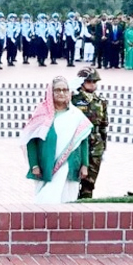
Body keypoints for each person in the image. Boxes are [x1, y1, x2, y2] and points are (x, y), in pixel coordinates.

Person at [22, 76, 92, 204]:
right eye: (57, 90)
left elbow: (83, 141)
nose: (61, 93)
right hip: (46, 166)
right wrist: (34, 165)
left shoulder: (75, 115)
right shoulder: (41, 114)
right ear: (51, 92)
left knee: (67, 202)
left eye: (65, 90)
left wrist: (85, 165)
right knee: (46, 201)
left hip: (70, 165)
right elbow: (31, 141)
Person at [71, 67, 108, 199]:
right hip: (78, 142)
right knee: (73, 179)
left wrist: (104, 146)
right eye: (89, 81)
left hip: (96, 143)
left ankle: (86, 204)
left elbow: (104, 124)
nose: (93, 84)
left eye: (94, 82)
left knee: (90, 181)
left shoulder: (101, 101)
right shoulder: (73, 99)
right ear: (82, 82)